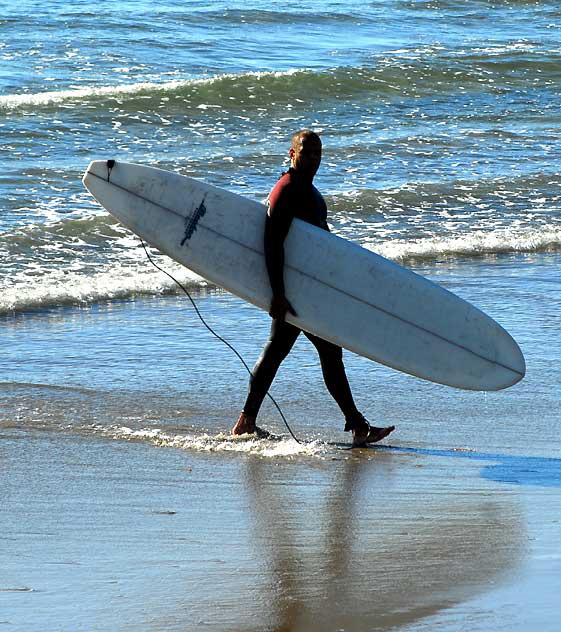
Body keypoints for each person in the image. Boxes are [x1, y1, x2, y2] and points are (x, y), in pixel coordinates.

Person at [232, 130, 395, 447]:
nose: (313, 159)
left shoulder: (308, 191)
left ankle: (246, 422)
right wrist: (278, 294)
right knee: (326, 355)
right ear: (291, 154)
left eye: (317, 153)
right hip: (295, 292)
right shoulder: (287, 190)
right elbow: (272, 244)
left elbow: (319, 245)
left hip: (307, 290)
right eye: (306, 153)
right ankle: (358, 426)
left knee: (285, 353)